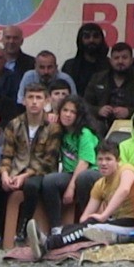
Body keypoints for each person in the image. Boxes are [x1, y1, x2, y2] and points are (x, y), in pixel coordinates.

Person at [0, 84, 61, 249]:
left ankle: (22, 231)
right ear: (24, 100)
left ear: (46, 101)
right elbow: (7, 155)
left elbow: (49, 161)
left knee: (31, 186)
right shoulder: (14, 124)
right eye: (30, 97)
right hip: (15, 170)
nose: (34, 102)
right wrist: (4, 173)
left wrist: (23, 176)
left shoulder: (52, 127)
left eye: (38, 98)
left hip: (38, 173)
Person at [28, 141, 134, 253]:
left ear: (118, 160)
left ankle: (48, 244)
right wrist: (80, 226)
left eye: (108, 159)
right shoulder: (100, 184)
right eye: (100, 159)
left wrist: (103, 215)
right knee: (73, 228)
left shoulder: (126, 170)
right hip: (114, 222)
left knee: (89, 227)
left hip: (132, 223)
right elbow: (85, 217)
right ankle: (46, 240)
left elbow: (124, 190)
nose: (103, 163)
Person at [40, 95, 99, 228]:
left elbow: (84, 163)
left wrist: (70, 188)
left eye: (73, 112)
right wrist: (49, 118)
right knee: (49, 180)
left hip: (90, 174)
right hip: (70, 173)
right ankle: (56, 228)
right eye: (65, 110)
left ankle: (87, 224)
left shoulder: (85, 133)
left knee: (83, 178)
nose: (68, 115)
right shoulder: (60, 131)